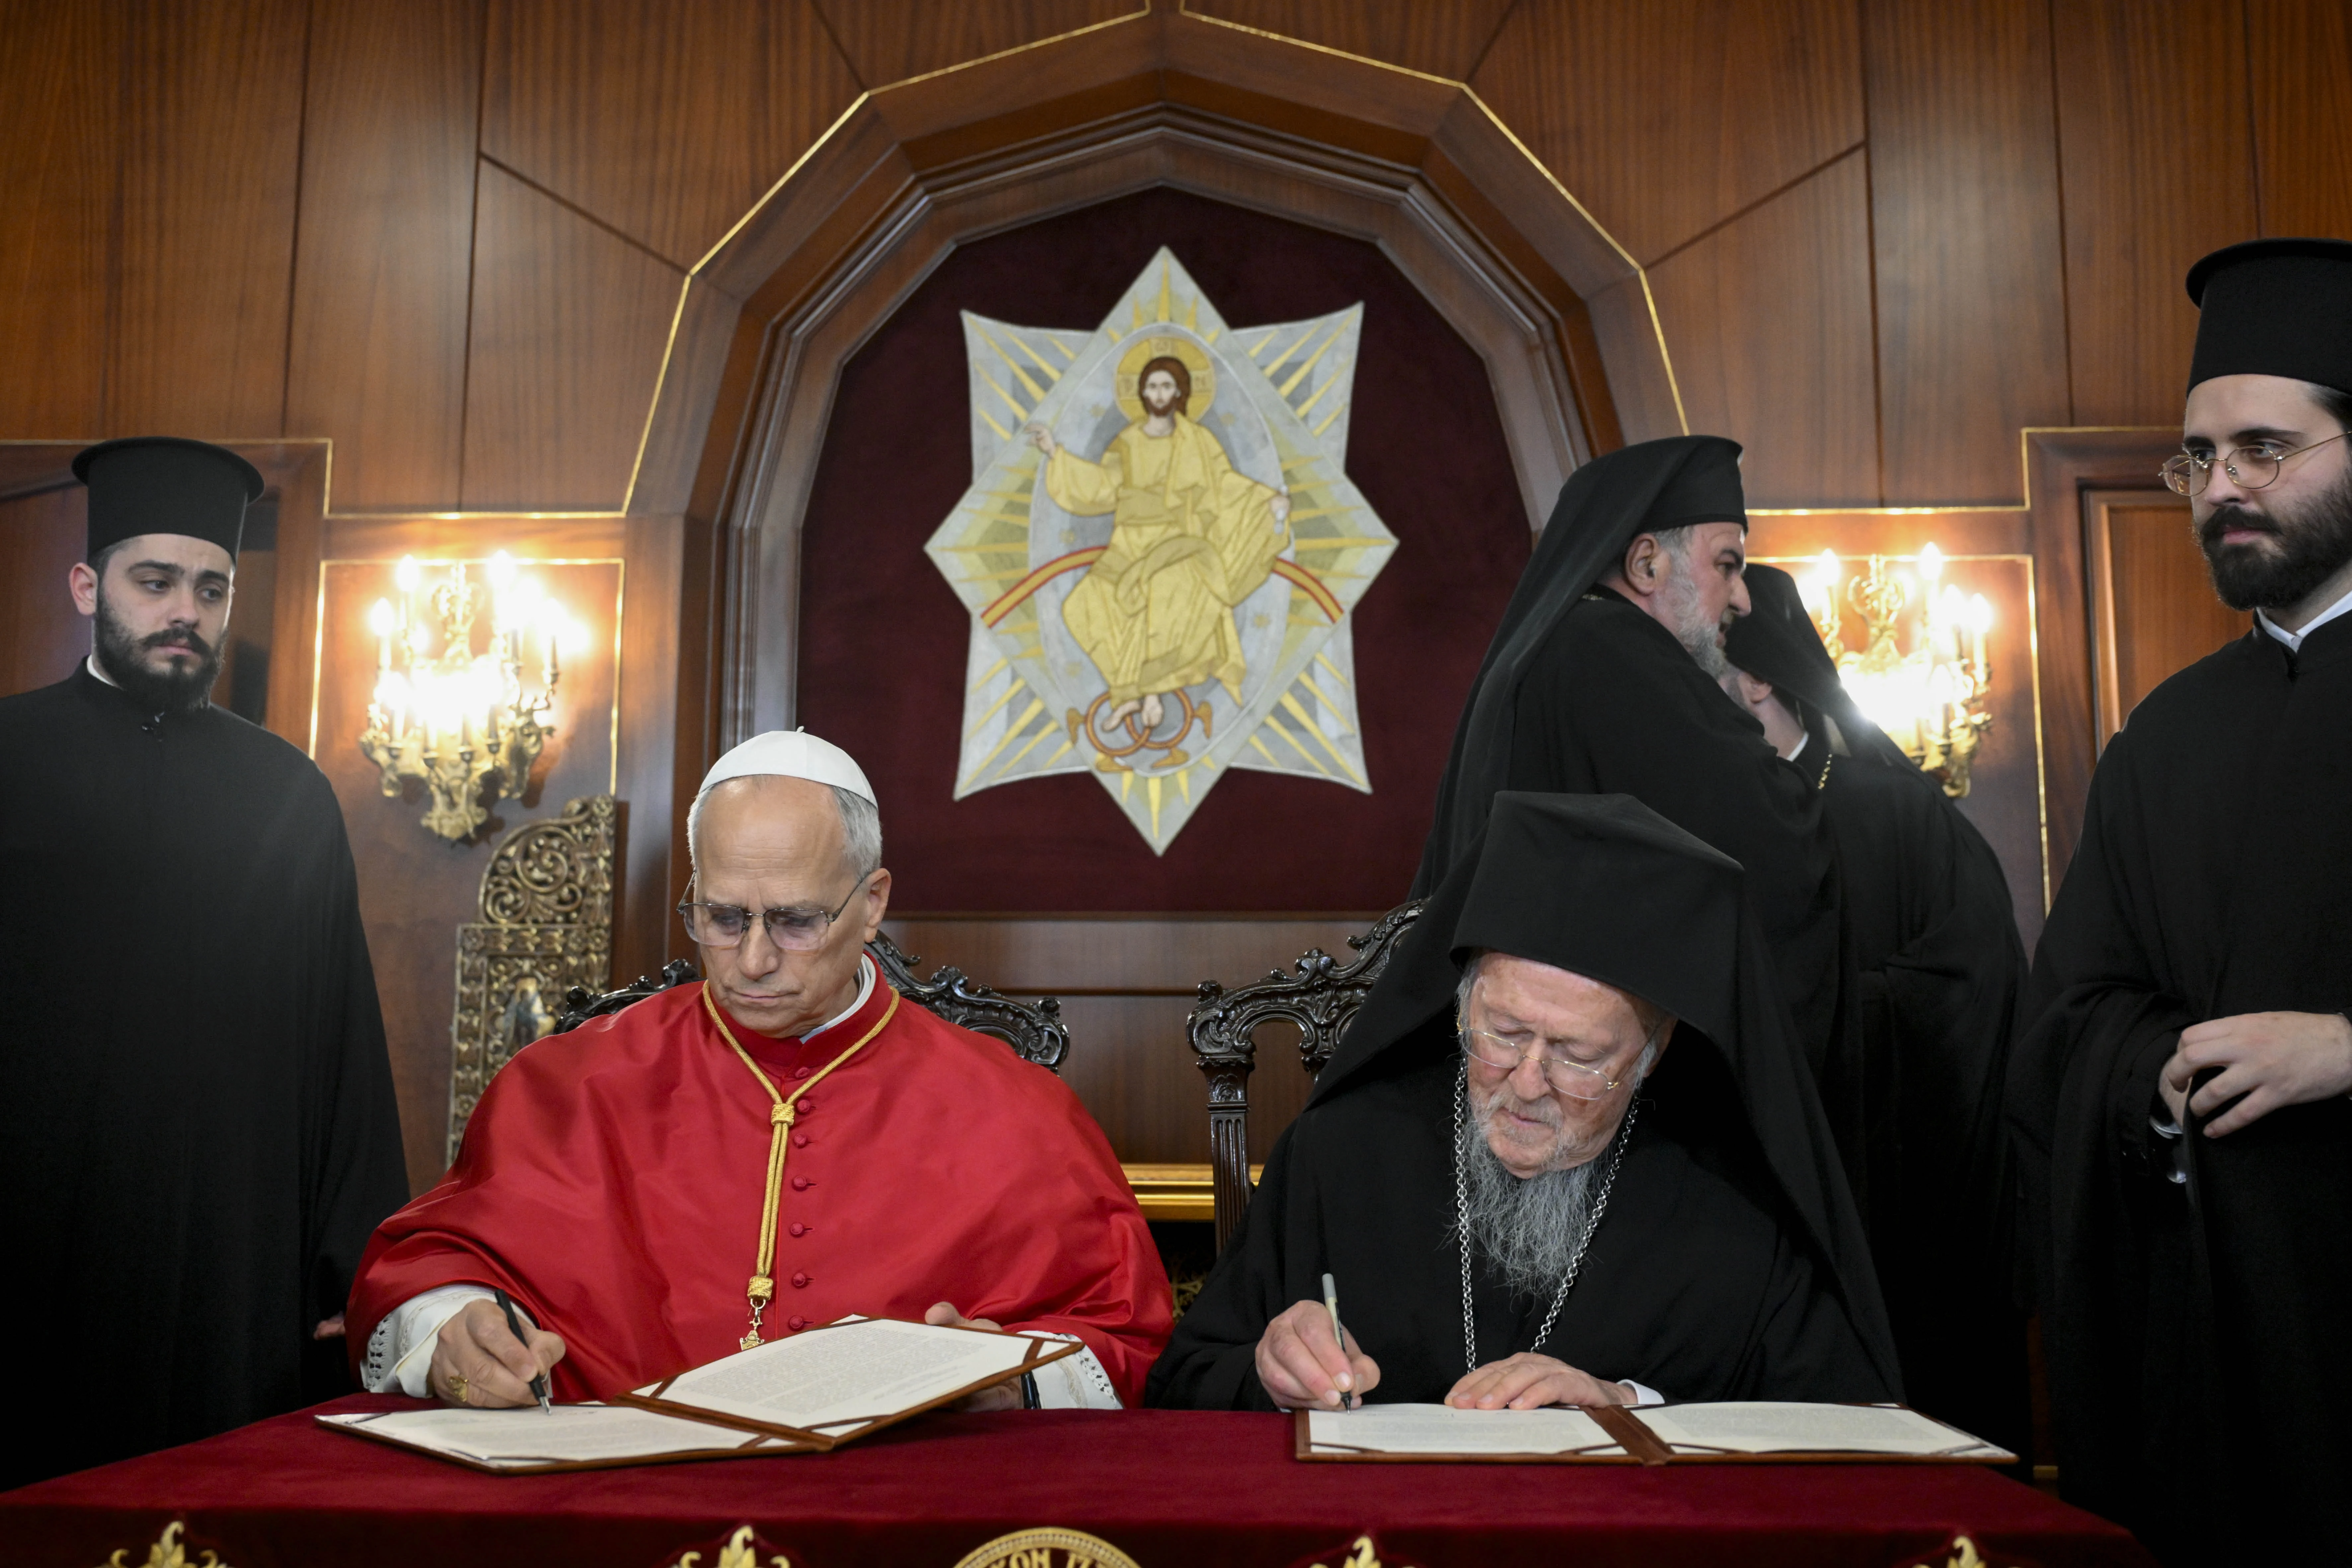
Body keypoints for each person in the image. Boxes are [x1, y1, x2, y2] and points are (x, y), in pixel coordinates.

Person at [348, 730, 1173, 1410]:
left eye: (794, 921)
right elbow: (429, 1270)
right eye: (722, 917)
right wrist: (453, 1336)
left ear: (874, 901)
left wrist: (1011, 1382)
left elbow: (1124, 1337)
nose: (751, 960)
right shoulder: (565, 1086)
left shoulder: (1012, 1108)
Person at [1149, 791, 1898, 1412]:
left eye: (1577, 1055)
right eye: (1502, 1033)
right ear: (1463, 1003)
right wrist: (1274, 1375)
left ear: (1653, 1050)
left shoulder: (1740, 1201)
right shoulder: (1340, 1151)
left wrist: (1628, 1406)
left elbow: (1839, 1431)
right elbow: (1183, 1385)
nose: (1527, 1081)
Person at [2010, 238, 2352, 1562]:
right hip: (2212, 1343)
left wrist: (2340, 1048)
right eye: (2198, 459)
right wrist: (2151, 1066)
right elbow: (2069, 1012)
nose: (2222, 489)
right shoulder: (2162, 734)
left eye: (2265, 448)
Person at [0, 437, 409, 1489]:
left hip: (227, 1249)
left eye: (211, 588)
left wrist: (359, 1259)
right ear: (91, 586)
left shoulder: (288, 794)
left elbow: (342, 1048)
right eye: (156, 582)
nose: (186, 610)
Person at [1412, 437, 1845, 1075]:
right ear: (1646, 564)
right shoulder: (1613, 652)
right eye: (1727, 564)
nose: (1743, 598)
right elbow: (1770, 834)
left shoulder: (1559, 647)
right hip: (1576, 1067)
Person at [1721, 564, 2030, 1455]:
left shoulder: (1899, 814)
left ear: (1754, 677)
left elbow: (1973, 1004)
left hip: (1899, 1218)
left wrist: (1797, 1011)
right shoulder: (1688, 818)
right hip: (1744, 1215)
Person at [1028, 354, 1290, 740]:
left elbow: (1225, 486)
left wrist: (1269, 502)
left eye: (1167, 386)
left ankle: (1146, 694)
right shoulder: (1129, 441)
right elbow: (1103, 486)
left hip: (1177, 543)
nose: (1159, 393)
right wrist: (1056, 454)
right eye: (1152, 386)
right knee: (1081, 606)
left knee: (1157, 602)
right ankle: (1130, 692)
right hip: (1129, 542)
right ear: (1142, 393)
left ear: (1180, 392)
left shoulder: (1198, 441)